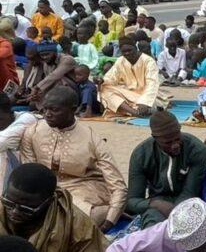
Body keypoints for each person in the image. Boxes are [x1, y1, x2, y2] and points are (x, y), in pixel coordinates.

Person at [19, 86, 126, 230]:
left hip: (83, 186)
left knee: (73, 215)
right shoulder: (33, 131)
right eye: (44, 109)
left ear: (73, 109)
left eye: (54, 110)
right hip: (44, 187)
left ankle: (102, 212)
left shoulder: (92, 139)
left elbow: (118, 186)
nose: (47, 114)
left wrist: (110, 221)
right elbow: (29, 172)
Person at [126, 111, 206, 228]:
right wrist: (156, 204)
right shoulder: (141, 155)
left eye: (177, 139)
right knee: (154, 228)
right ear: (155, 138)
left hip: (190, 200)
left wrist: (175, 212)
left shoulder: (197, 149)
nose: (175, 145)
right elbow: (132, 200)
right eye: (168, 142)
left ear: (180, 129)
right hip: (157, 202)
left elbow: (190, 191)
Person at [98, 35, 160, 117]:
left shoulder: (148, 61)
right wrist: (102, 80)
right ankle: (134, 112)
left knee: (150, 104)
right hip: (130, 94)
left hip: (148, 96)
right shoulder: (120, 60)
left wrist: (145, 102)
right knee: (104, 87)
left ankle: (133, 109)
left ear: (135, 48)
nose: (127, 53)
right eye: (124, 51)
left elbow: (152, 84)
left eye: (129, 50)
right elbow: (111, 78)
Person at [18, 39, 77, 110]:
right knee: (34, 103)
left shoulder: (67, 60)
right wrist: (37, 94)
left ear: (55, 52)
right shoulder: (46, 63)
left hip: (71, 89)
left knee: (59, 80)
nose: (44, 57)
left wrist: (37, 87)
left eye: (47, 54)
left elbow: (54, 76)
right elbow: (48, 84)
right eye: (42, 55)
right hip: (56, 90)